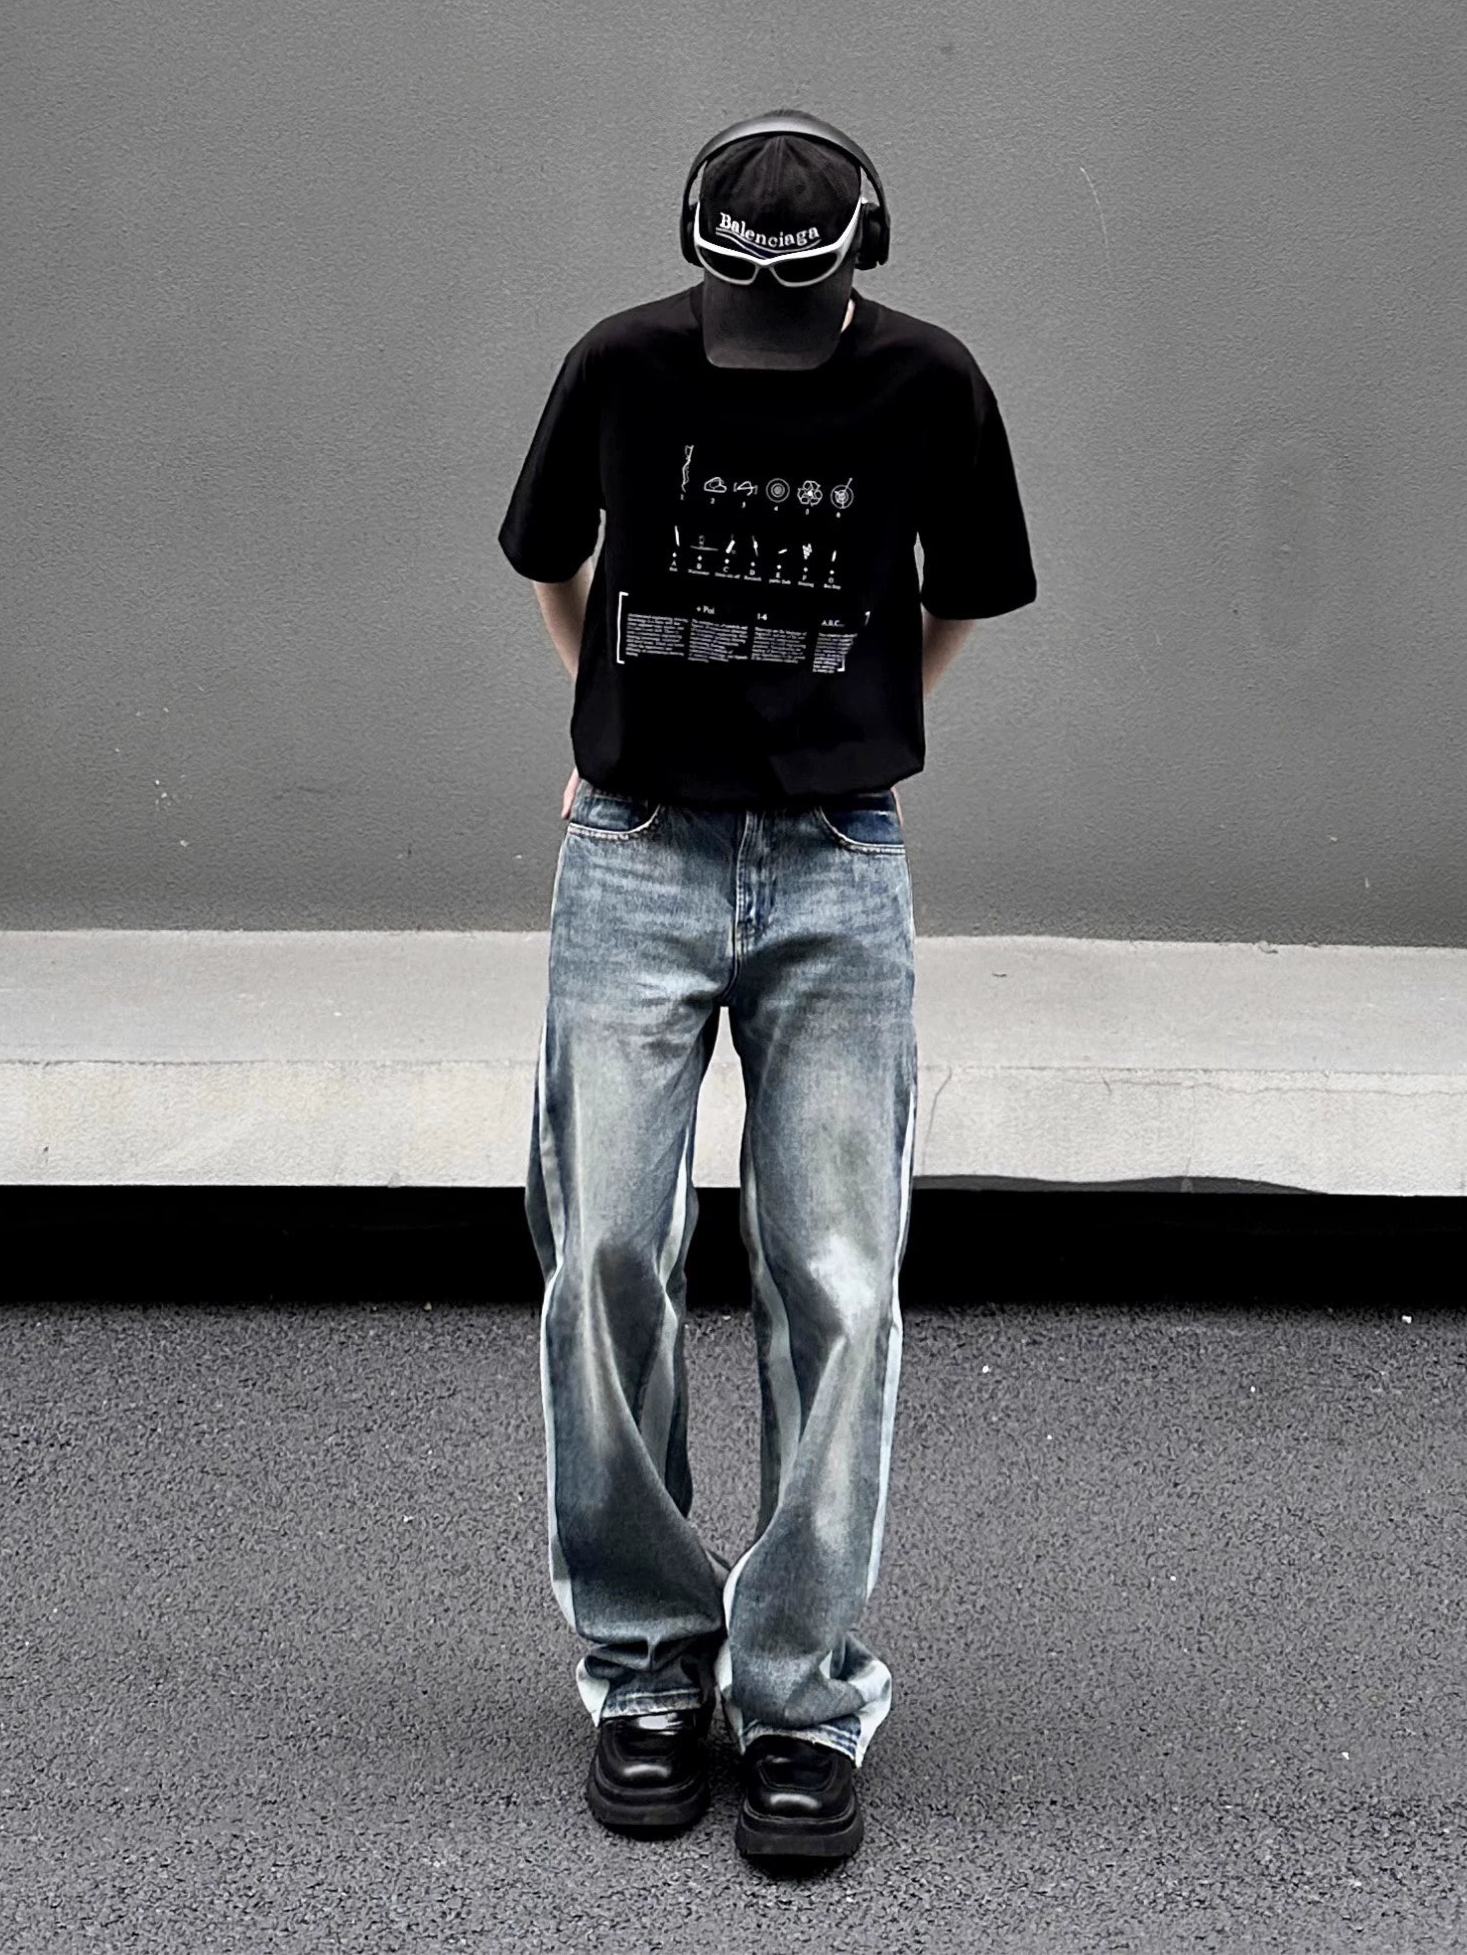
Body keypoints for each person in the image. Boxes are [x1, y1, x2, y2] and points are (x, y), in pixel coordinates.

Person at [498, 109, 1038, 1864]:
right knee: (603, 1253)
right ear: (701, 263)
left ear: (856, 268)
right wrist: (603, 720)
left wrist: (870, 722)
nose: (765, 336)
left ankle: (798, 1695)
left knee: (839, 1280)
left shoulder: (929, 384)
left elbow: (968, 590)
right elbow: (550, 558)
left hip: (834, 863)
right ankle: (648, 1667)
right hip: (636, 853)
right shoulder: (623, 364)